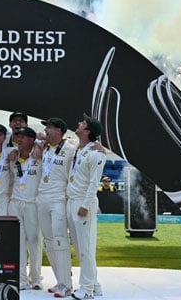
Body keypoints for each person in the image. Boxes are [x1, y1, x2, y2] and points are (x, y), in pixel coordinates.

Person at [37, 117, 76, 298]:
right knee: (49, 241)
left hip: (58, 198)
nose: (46, 130)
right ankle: (59, 280)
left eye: (49, 127)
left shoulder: (70, 148)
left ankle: (66, 285)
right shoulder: (45, 147)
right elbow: (31, 137)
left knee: (60, 240)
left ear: (59, 131)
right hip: (42, 197)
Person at [68, 114, 106, 300]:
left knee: (86, 248)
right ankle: (95, 285)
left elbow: (94, 183)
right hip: (72, 200)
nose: (79, 123)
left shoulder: (96, 153)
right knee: (80, 246)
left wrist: (84, 205)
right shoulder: (79, 148)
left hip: (84, 203)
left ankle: (87, 289)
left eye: (82, 123)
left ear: (88, 131)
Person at [7, 127, 43, 290]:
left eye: (23, 137)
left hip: (32, 204)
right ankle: (20, 278)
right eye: (17, 137)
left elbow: (59, 141)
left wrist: (38, 145)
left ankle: (35, 278)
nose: (19, 139)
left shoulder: (40, 156)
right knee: (18, 242)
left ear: (31, 140)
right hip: (15, 203)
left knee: (34, 241)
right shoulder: (12, 157)